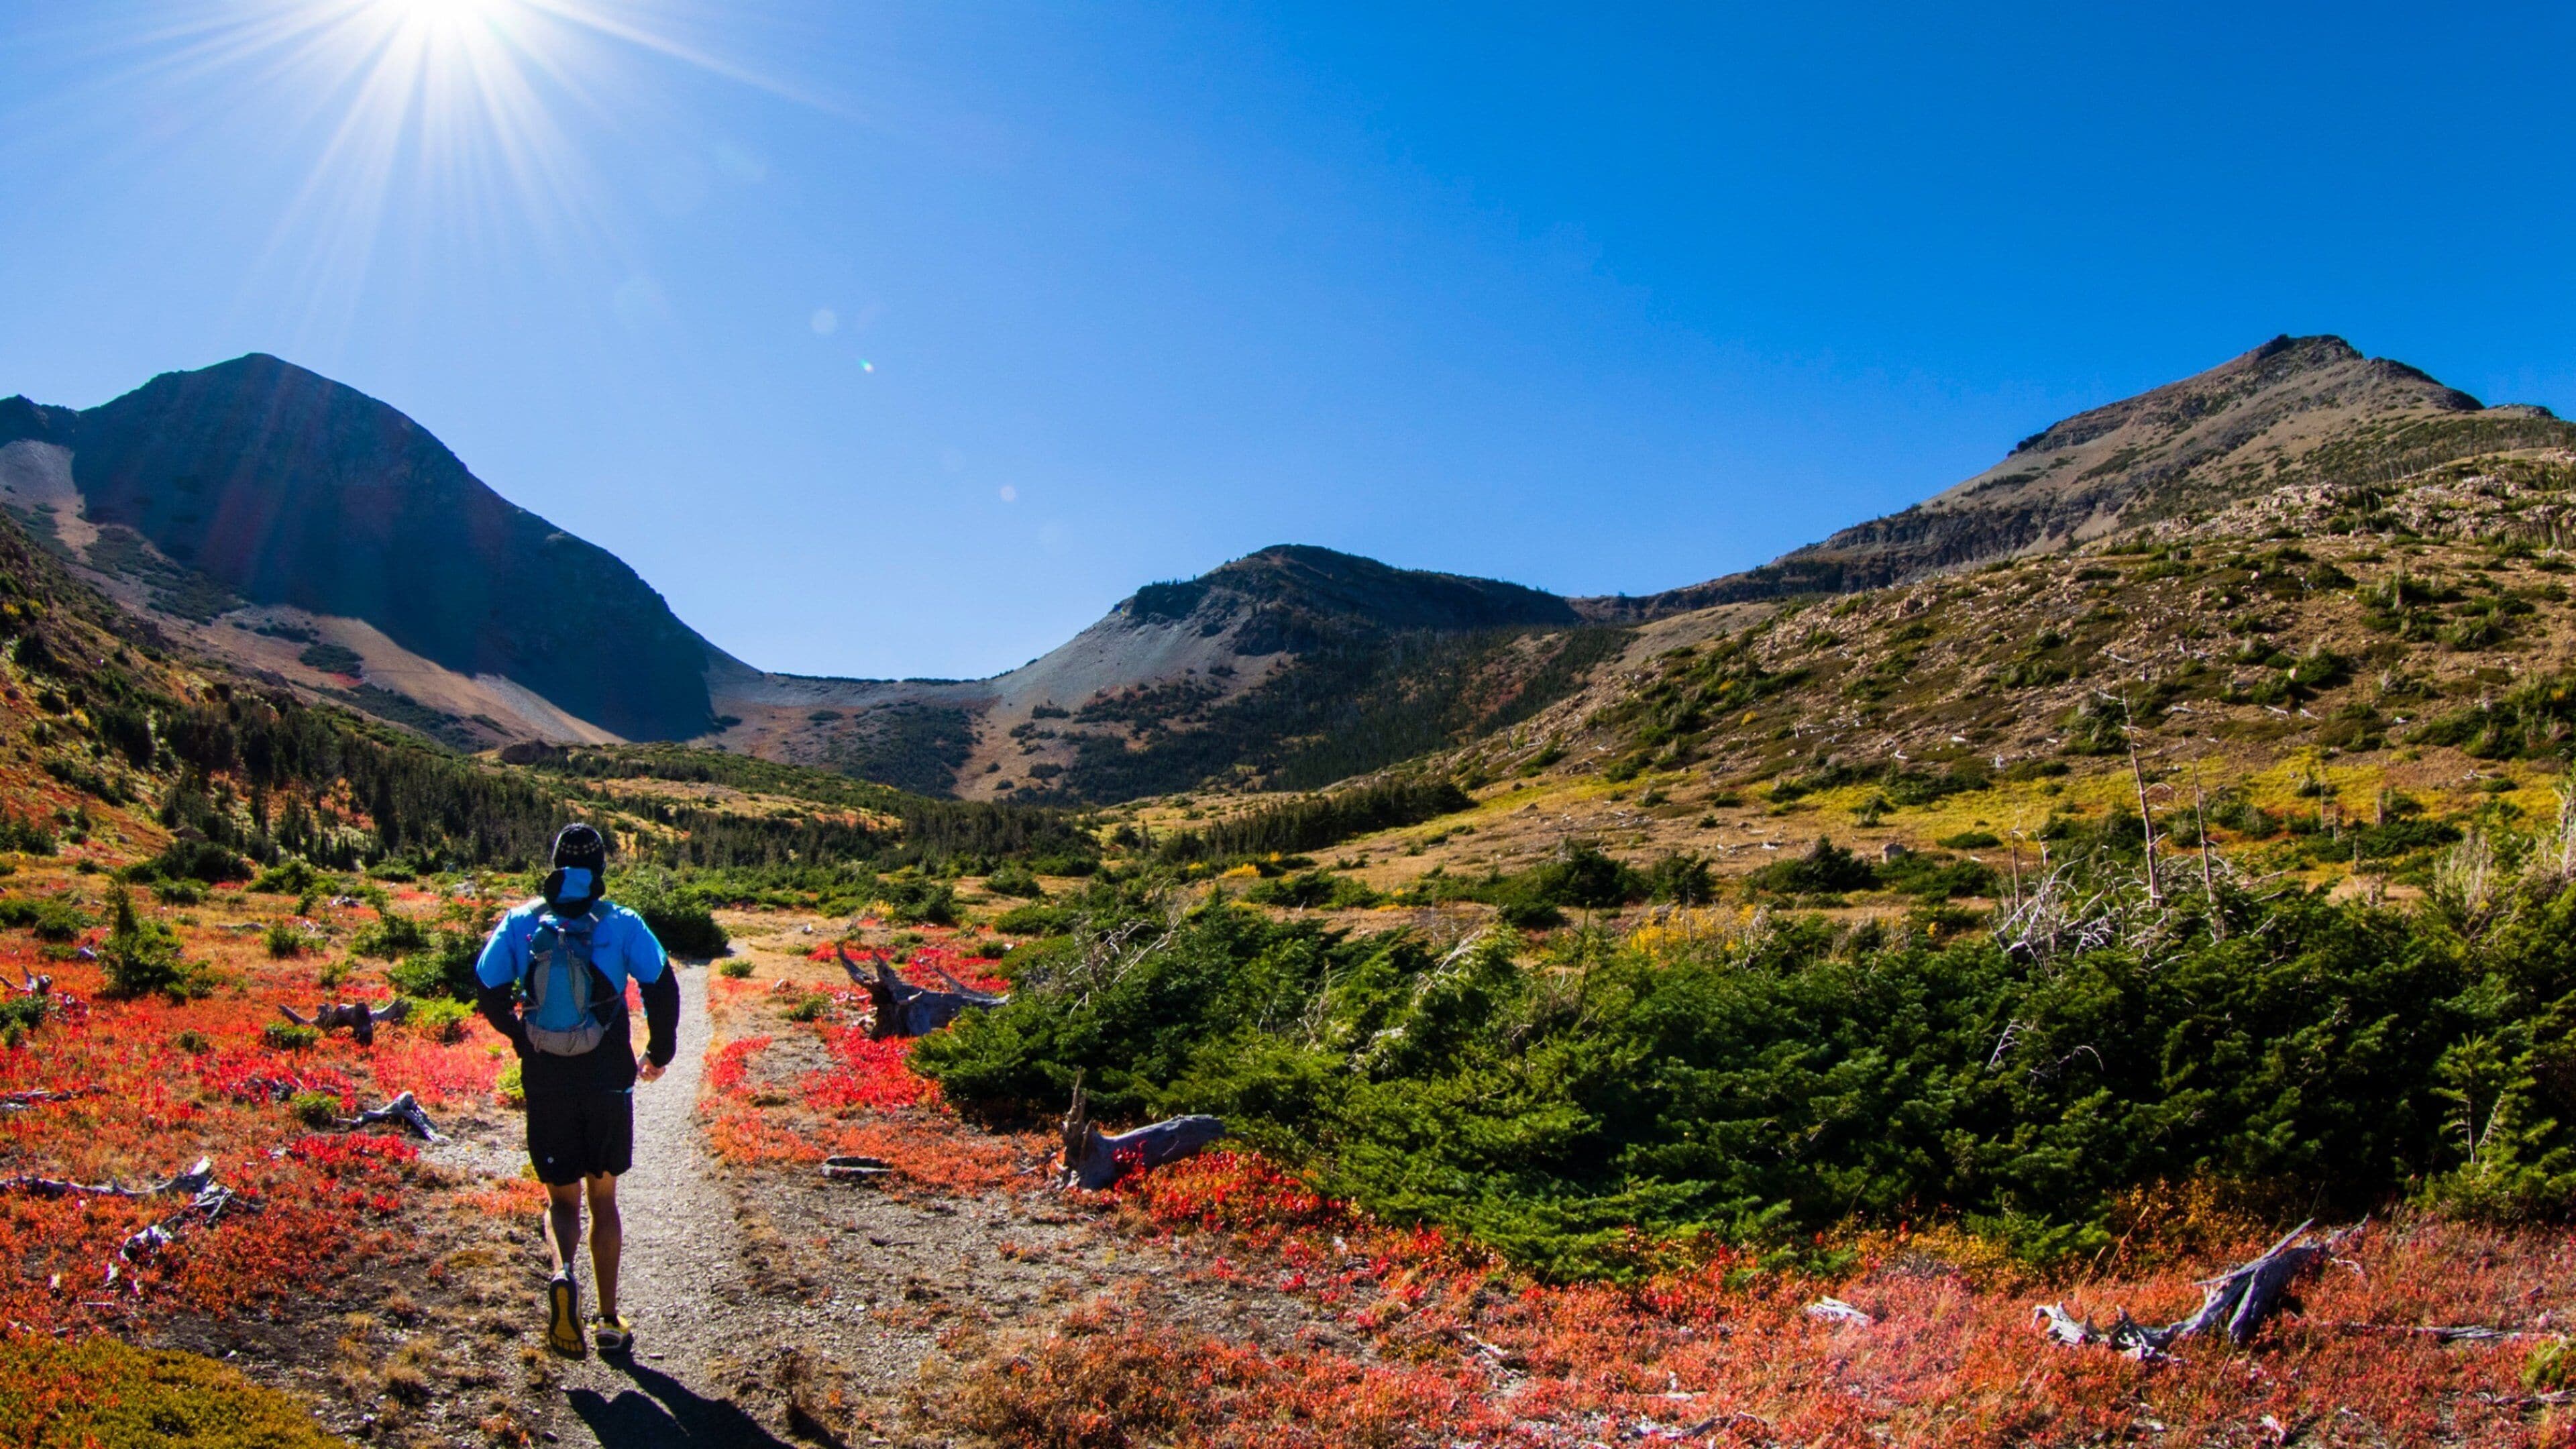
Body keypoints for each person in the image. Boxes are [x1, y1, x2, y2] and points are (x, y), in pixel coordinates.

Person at [474, 823, 680, 1356]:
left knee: (562, 1201)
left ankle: (563, 1273)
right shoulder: (623, 922)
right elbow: (662, 985)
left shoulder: (522, 921)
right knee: (603, 1200)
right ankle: (608, 1320)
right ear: (600, 870)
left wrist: (521, 1039)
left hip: (547, 1078)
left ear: (556, 865)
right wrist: (659, 1053)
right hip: (607, 1080)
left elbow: (487, 985)